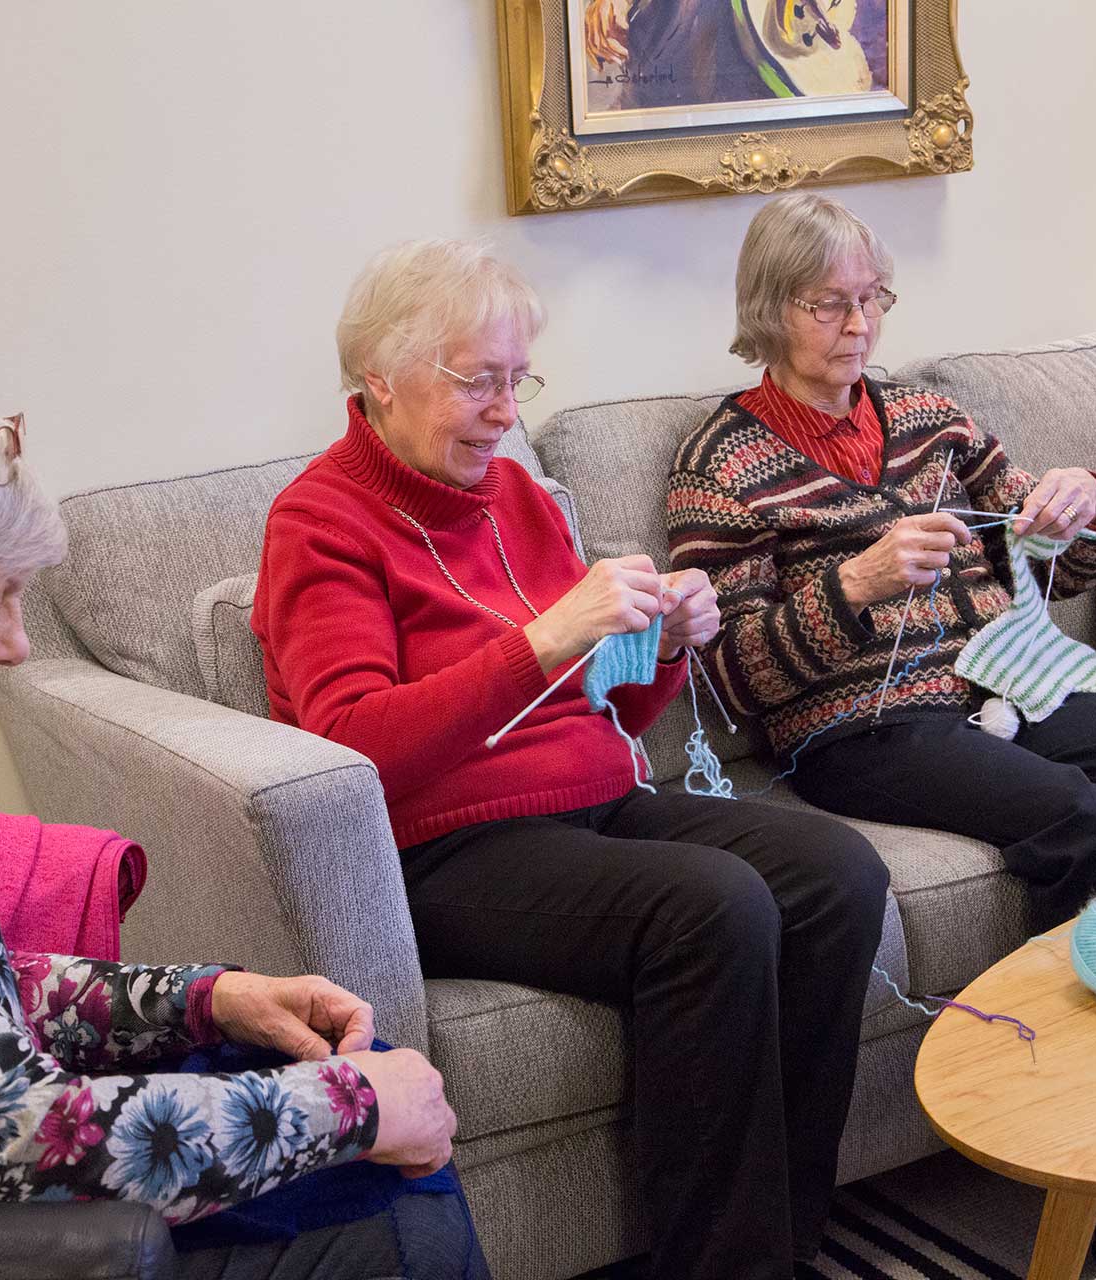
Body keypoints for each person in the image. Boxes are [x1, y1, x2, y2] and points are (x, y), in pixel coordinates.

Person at [0, 346, 486, 1279]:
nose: (17, 646)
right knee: (396, 1205)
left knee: (366, 1091)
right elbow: (4, 1145)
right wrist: (357, 1107)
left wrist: (208, 1000)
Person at [252, 239, 889, 1280]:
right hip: (443, 849)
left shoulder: (518, 494)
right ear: (380, 377)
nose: (505, 413)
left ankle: (785, 1236)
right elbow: (352, 745)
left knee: (835, 872)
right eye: (478, 381)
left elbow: (613, 708)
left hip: (592, 800)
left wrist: (667, 644)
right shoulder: (321, 521)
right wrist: (544, 638)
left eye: (518, 380)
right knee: (713, 904)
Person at [666, 192, 1096, 934]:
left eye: (872, 297)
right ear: (769, 310)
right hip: (866, 728)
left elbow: (1060, 571)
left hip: (1010, 679)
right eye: (828, 304)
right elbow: (729, 676)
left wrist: (1083, 507)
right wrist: (854, 585)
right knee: (1094, 824)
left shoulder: (931, 418)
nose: (859, 325)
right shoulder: (719, 463)